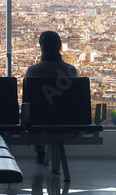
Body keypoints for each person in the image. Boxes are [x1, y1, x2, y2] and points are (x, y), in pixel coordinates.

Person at [24, 31, 78, 163]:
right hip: (67, 121)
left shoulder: (33, 71)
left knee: (38, 112)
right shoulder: (70, 70)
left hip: (38, 122)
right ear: (60, 46)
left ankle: (40, 151)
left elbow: (29, 101)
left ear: (41, 47)